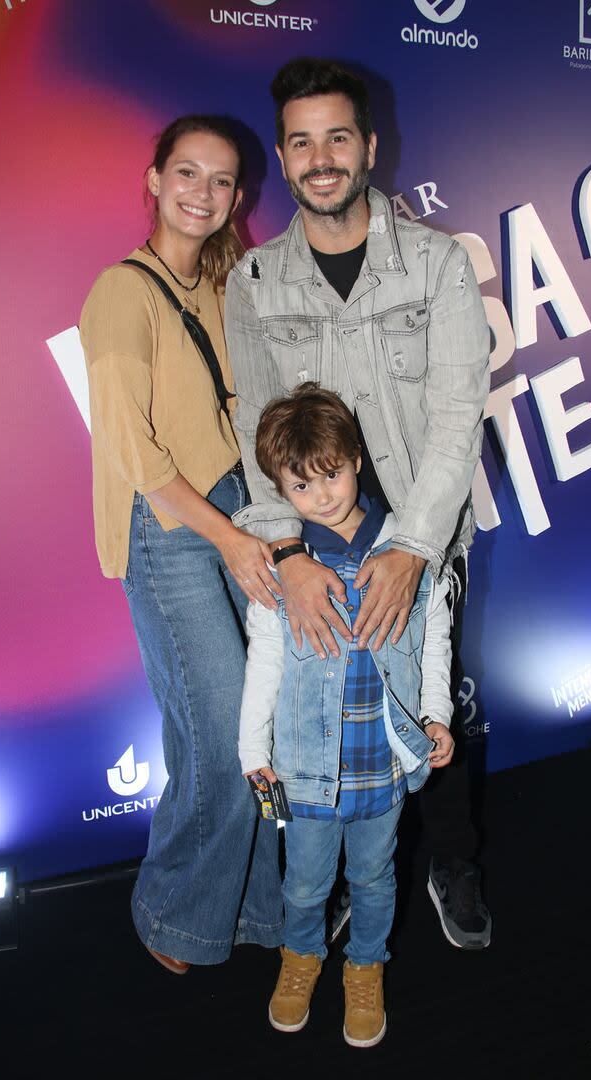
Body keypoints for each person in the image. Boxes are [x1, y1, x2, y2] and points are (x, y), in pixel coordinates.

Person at [225, 58, 492, 950]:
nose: (321, 156)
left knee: (434, 697)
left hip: (420, 529)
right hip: (315, 547)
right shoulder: (255, 284)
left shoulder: (437, 261)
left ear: (369, 146)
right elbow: (254, 433)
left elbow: (458, 417)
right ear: (283, 156)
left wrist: (412, 548)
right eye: (301, 141)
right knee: (323, 703)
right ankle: (340, 876)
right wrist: (291, 557)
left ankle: (448, 859)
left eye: (338, 135)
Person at [80, 115, 283, 971]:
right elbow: (133, 452)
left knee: (258, 729)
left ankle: (256, 911)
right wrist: (230, 541)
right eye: (187, 174)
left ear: (238, 196)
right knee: (219, 733)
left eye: (221, 180)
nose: (203, 193)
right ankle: (175, 917)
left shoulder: (225, 281)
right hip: (169, 529)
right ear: (155, 181)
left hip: (233, 507)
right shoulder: (121, 292)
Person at [238, 383, 454, 1047]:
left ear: (355, 458)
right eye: (300, 487)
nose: (321, 495)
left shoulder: (404, 548)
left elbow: (432, 637)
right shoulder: (280, 570)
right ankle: (299, 960)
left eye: (330, 474)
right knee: (303, 887)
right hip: (301, 774)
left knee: (374, 877)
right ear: (279, 490)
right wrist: (254, 753)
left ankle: (365, 969)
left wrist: (435, 714)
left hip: (381, 762)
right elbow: (264, 665)